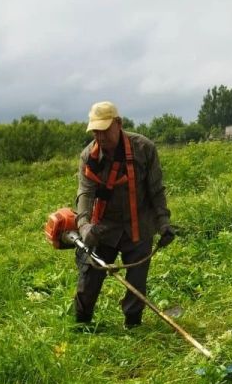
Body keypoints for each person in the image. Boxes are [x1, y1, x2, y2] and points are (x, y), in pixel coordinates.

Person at [74, 100, 174, 328]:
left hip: (139, 225)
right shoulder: (88, 156)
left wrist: (164, 223)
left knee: (136, 282)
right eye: (95, 132)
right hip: (103, 227)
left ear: (118, 123)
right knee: (89, 277)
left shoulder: (144, 149)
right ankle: (81, 324)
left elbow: (156, 190)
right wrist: (84, 226)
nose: (100, 137)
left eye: (104, 131)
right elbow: (85, 194)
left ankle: (133, 324)